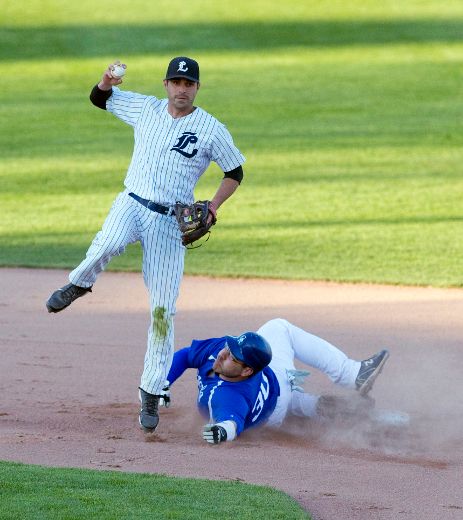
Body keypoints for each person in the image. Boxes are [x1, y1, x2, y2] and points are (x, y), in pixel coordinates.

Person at [45, 57, 245, 433]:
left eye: (189, 84)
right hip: (131, 203)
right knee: (107, 243)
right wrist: (105, 81)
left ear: (197, 88)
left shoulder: (211, 129)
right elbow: (99, 99)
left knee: (162, 311)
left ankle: (151, 393)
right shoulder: (146, 108)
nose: (182, 89)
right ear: (166, 84)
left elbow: (234, 171)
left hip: (170, 223)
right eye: (176, 82)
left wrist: (214, 206)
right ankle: (79, 283)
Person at [163, 318, 390, 444]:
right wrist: (162, 382)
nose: (223, 354)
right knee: (278, 328)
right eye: (229, 348)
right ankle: (353, 389)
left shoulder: (227, 396)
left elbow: (231, 423)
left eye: (233, 357)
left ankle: (349, 396)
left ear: (246, 370)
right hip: (273, 385)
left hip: (274, 406)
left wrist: (221, 432)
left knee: (277, 329)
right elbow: (185, 356)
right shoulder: (223, 351)